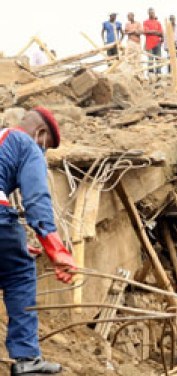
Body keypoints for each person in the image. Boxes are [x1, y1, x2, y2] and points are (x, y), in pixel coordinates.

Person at [0, 107, 77, 375]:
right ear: (41, 133)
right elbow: (36, 200)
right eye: (46, 147)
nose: (43, 153)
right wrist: (55, 248)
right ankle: (27, 359)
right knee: (19, 274)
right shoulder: (26, 143)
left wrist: (15, 243)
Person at [143, 8, 164, 75]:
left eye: (153, 13)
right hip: (149, 44)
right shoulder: (145, 22)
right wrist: (155, 32)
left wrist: (153, 32)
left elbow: (161, 33)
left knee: (158, 58)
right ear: (148, 13)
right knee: (150, 59)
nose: (152, 14)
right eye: (151, 13)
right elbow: (146, 31)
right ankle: (151, 73)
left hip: (157, 43)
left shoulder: (158, 22)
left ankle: (159, 73)